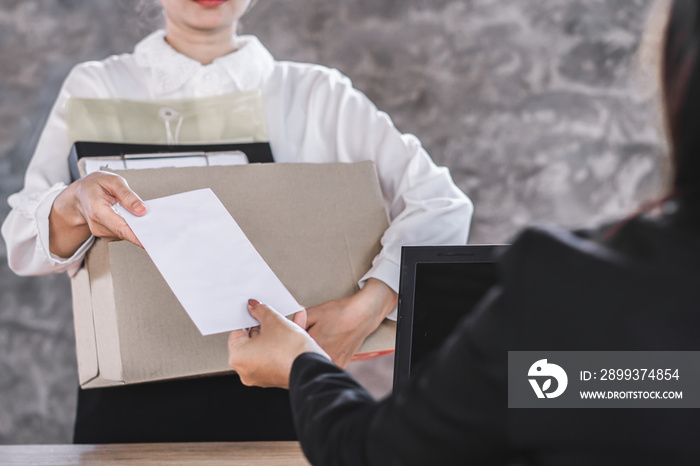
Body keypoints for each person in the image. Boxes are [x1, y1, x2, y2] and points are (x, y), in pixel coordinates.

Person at [226, 1, 700, 464]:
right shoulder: (625, 367)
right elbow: (655, 384)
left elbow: (374, 452)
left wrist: (304, 362)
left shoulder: (574, 295)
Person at [1, 0, 472, 443]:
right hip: (131, 394)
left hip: (291, 388)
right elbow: (23, 239)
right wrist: (73, 203)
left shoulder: (316, 95)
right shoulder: (99, 86)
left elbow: (441, 203)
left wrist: (368, 306)